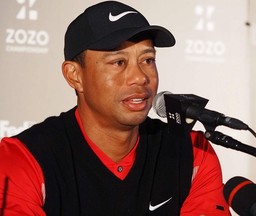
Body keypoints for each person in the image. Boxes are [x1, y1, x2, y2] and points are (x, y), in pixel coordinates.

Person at [0, 1, 231, 215]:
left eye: (148, 60)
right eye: (118, 62)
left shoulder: (192, 152)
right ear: (75, 75)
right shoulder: (25, 158)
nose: (140, 77)